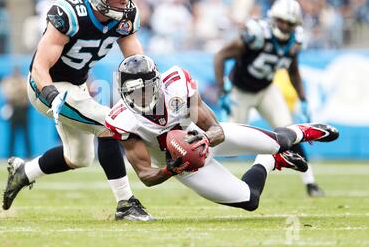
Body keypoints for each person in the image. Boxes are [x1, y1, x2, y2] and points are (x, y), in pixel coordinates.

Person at [2, 0, 153, 221]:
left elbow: (136, 62)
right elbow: (40, 64)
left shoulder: (125, 16)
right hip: (45, 85)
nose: (123, 2)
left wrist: (150, 87)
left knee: (78, 158)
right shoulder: (69, 13)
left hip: (77, 86)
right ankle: (126, 204)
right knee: (109, 125)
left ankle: (23, 172)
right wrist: (49, 93)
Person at [105, 55, 338, 210]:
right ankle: (269, 161)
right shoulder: (123, 119)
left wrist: (204, 140)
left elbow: (216, 129)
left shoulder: (177, 84)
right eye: (133, 92)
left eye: (145, 90)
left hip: (203, 138)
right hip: (186, 166)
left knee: (279, 140)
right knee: (250, 200)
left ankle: (305, 131)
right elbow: (146, 175)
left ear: (157, 84)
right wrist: (173, 168)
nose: (140, 97)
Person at [214, 0, 325, 197]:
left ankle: (311, 183)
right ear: (273, 18)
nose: (284, 26)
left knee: (291, 132)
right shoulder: (257, 34)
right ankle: (204, 172)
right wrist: (223, 89)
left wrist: (303, 98)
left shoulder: (295, 41)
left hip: (266, 90)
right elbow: (221, 55)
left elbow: (293, 70)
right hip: (241, 91)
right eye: (281, 20)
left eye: (289, 23)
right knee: (229, 146)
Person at [0, 66, 32, 159]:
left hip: (23, 109)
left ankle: (28, 154)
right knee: (12, 134)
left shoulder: (24, 80)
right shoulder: (8, 80)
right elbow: (7, 93)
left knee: (26, 133)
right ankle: (10, 155)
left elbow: (27, 92)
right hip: (13, 108)